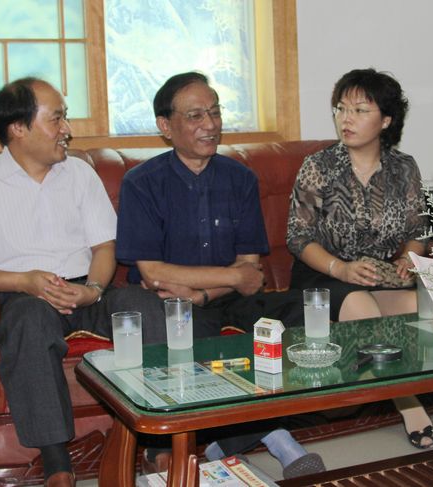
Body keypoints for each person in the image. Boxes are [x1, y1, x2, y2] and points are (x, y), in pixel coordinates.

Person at [115, 71, 325, 478]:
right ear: (165, 126)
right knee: (195, 339)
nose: (210, 124)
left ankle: (221, 445)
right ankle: (280, 443)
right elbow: (153, 273)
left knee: (302, 316)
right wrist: (227, 280)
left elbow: (251, 274)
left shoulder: (240, 178)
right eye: (195, 115)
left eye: (215, 112)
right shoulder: (142, 183)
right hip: (173, 306)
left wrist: (206, 291)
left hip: (223, 300)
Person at [0, 77, 119, 487]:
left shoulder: (80, 174)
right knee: (29, 322)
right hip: (26, 296)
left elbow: (104, 247)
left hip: (86, 290)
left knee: (147, 307)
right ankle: (57, 465)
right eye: (57, 119)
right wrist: (23, 281)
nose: (67, 129)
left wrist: (93, 289)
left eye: (65, 118)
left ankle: (165, 442)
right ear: (18, 127)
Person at [286, 68, 433, 449]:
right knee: (361, 306)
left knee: (416, 306)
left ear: (386, 120)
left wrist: (409, 259)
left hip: (378, 274)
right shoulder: (319, 167)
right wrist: (341, 268)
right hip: (323, 275)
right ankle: (409, 403)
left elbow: (419, 230)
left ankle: (380, 382)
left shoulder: (404, 168)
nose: (346, 119)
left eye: (359, 110)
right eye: (341, 109)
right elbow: (298, 238)